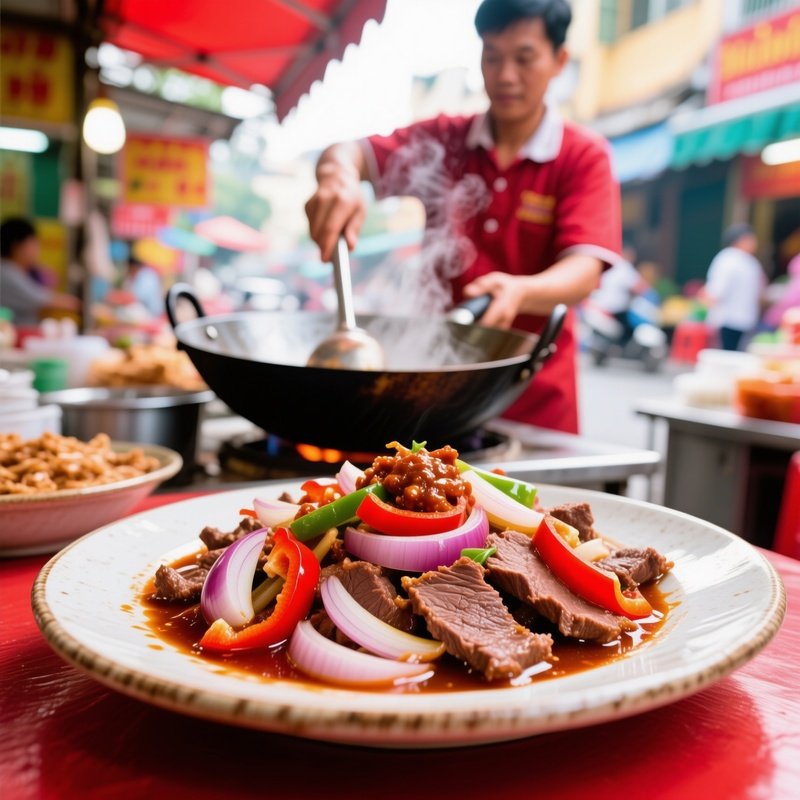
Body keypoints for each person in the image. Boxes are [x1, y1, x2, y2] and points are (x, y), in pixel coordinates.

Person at [305, 0, 621, 433]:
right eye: (492, 57)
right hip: (439, 400)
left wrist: (520, 292)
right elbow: (349, 151)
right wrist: (337, 177)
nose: (506, 75)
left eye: (524, 58)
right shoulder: (445, 139)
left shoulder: (582, 156)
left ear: (558, 61)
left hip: (536, 400)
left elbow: (585, 270)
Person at [0, 217, 80, 327]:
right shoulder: (7, 273)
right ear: (17, 246)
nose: (37, 250)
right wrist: (80, 305)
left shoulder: (19, 271)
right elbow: (46, 301)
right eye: (33, 243)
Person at [701, 223, 765, 351]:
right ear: (740, 240)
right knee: (728, 357)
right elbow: (716, 292)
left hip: (738, 319)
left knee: (729, 357)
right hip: (729, 319)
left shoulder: (747, 261)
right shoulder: (729, 259)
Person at [124, 253, 163, 318]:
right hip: (147, 310)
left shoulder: (146, 276)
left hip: (152, 312)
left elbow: (138, 296)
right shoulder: (139, 275)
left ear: (132, 266)